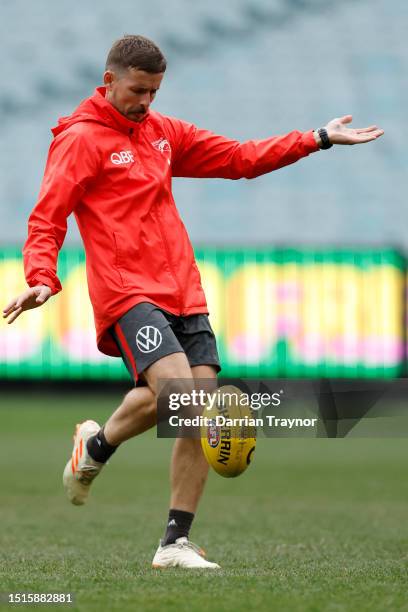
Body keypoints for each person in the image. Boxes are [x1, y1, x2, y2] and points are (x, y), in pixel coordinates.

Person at [2, 35, 384, 569]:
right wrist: (42, 275)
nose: (147, 102)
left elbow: (238, 158)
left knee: (183, 406)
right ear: (108, 81)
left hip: (183, 288)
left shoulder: (162, 133)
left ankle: (163, 531)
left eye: (155, 91)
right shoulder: (80, 140)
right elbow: (47, 217)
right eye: (138, 90)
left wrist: (315, 137)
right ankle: (108, 465)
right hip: (127, 291)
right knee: (187, 397)